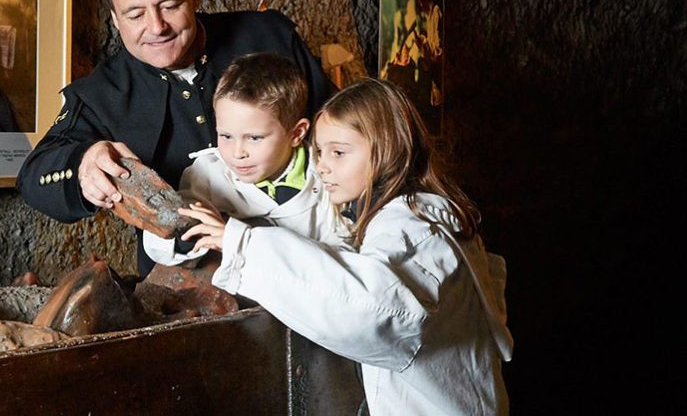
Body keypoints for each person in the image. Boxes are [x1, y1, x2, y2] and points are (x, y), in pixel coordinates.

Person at [180, 78, 513, 413]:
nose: (322, 166)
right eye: (319, 152)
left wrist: (241, 245)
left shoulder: (409, 229)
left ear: (386, 150)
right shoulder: (420, 213)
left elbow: (372, 310)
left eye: (339, 152)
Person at [16, 0, 333, 275]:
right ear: (115, 19)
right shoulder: (101, 93)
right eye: (135, 15)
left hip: (308, 260)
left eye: (169, 6)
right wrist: (83, 163)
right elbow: (34, 176)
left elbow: (339, 128)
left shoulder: (270, 35)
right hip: (184, 288)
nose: (156, 27)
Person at [142, 53, 348, 267]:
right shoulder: (207, 174)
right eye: (226, 136)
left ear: (296, 133)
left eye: (254, 138)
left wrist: (236, 239)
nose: (237, 152)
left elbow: (344, 256)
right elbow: (161, 242)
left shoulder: (328, 178)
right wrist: (188, 232)